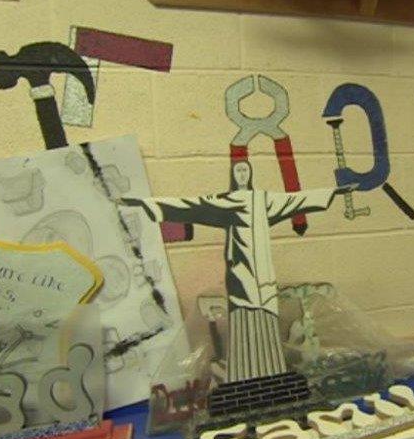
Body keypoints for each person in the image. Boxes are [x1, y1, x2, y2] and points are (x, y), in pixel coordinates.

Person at [122, 160, 354, 383]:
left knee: (267, 315)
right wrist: (145, 204)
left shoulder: (264, 201)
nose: (242, 175)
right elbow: (191, 205)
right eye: (239, 171)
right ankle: (243, 373)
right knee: (244, 315)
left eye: (246, 171)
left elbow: (297, 199)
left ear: (250, 175)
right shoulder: (226, 202)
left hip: (264, 274)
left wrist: (334, 192)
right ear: (233, 176)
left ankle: (272, 370)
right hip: (241, 272)